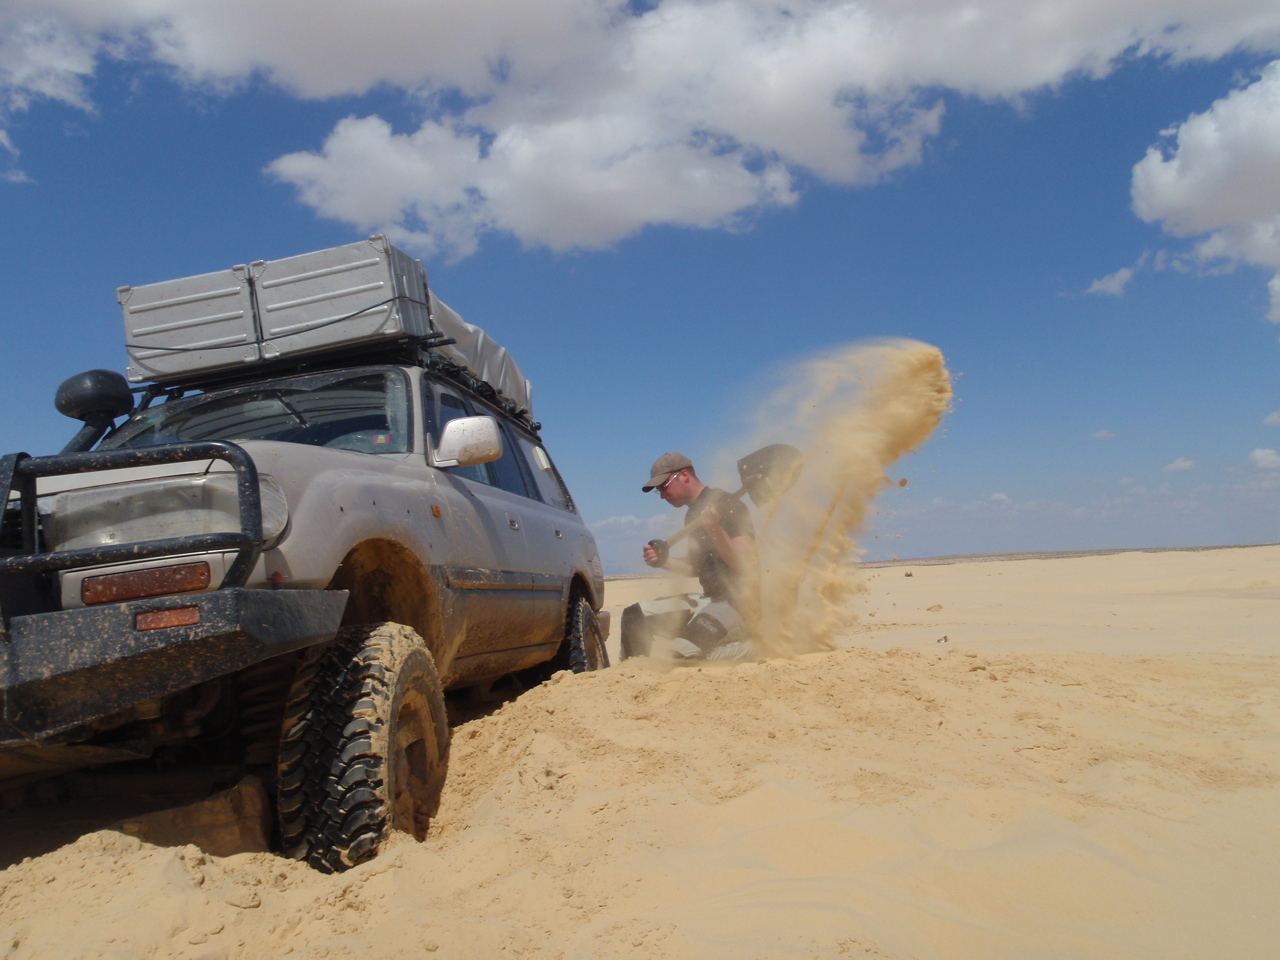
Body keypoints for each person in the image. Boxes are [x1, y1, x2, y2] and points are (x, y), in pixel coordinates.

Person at [619, 452, 758, 661]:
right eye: (659, 491)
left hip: (737, 604)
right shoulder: (692, 515)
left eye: (664, 487)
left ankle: (754, 648)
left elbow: (744, 563)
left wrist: (716, 531)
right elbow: (697, 567)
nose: (663, 495)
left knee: (681, 655)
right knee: (634, 617)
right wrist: (663, 561)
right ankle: (633, 676)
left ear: (684, 475)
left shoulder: (728, 504)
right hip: (708, 600)